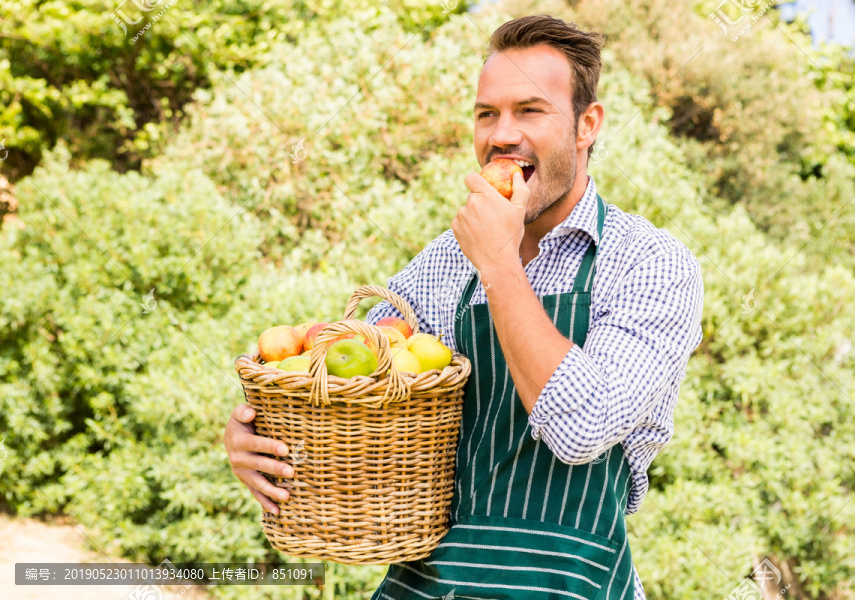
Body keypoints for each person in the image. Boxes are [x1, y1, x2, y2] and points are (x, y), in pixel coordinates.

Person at [224, 14, 704, 600]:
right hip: (431, 582)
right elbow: (352, 381)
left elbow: (581, 429)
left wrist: (498, 264)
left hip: (566, 582)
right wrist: (263, 438)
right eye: (486, 114)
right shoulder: (446, 260)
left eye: (530, 110)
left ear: (587, 125)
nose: (502, 135)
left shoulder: (648, 262)